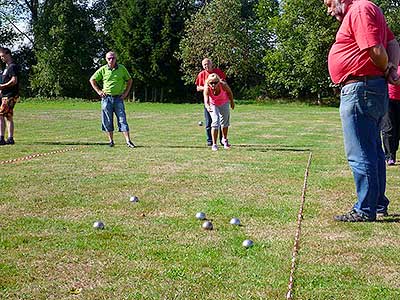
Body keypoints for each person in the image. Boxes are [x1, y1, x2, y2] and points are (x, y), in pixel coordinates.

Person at [323, 0, 400, 222]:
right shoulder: (369, 9)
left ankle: (366, 208)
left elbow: (376, 49)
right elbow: (393, 43)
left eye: (329, 4)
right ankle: (376, 204)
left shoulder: (359, 9)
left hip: (361, 88)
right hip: (370, 88)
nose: (329, 11)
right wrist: (391, 69)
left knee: (360, 152)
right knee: (374, 150)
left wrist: (387, 68)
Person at [90, 51, 135, 148]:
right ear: (106, 59)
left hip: (118, 98)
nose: (111, 60)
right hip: (106, 99)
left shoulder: (122, 68)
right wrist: (99, 91)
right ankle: (111, 141)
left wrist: (126, 93)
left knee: (122, 119)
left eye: (113, 58)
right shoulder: (103, 69)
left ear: (116, 59)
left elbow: (130, 80)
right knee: (107, 120)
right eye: (109, 58)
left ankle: (128, 141)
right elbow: (92, 80)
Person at [196, 58, 226, 146]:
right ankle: (210, 140)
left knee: (221, 122)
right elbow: (198, 88)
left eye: (208, 64)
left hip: (220, 100)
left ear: (211, 64)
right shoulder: (201, 74)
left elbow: (223, 83)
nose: (206, 66)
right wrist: (206, 87)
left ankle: (222, 140)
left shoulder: (218, 72)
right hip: (208, 101)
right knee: (209, 122)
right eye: (204, 64)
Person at [203, 73, 235, 151]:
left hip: (224, 102)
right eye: (211, 83)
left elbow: (230, 92)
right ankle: (214, 144)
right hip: (213, 104)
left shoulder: (223, 85)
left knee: (225, 122)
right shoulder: (207, 88)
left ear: (218, 81)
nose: (213, 85)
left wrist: (232, 102)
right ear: (208, 83)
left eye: (215, 82)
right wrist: (207, 107)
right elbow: (206, 100)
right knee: (215, 122)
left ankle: (225, 140)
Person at [0, 47, 19, 146]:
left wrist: (2, 86)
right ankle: (10, 138)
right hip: (4, 95)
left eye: (2, 56)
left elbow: (14, 80)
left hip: (10, 95)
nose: (1, 58)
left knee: (0, 114)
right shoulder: (6, 68)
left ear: (8, 54)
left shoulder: (12, 67)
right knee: (8, 116)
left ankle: (1, 138)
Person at [382, 66, 400, 166]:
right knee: (389, 127)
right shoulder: (391, 60)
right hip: (389, 98)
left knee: (398, 129)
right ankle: (390, 156)